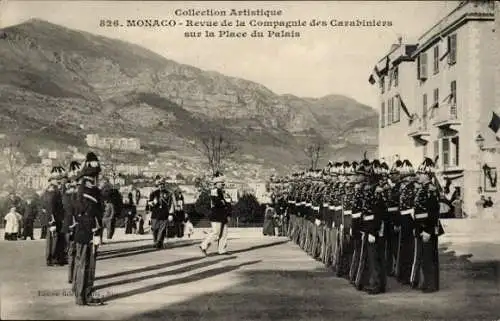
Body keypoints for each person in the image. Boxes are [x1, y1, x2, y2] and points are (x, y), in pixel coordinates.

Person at [72, 152, 104, 306]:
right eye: (94, 177)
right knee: (86, 265)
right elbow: (82, 213)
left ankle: (83, 295)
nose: (95, 179)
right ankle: (84, 296)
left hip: (89, 232)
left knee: (86, 265)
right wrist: (94, 231)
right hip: (87, 232)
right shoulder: (84, 191)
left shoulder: (92, 191)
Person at [200, 172, 232, 256]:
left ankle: (222, 250)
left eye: (222, 183)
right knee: (216, 232)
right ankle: (204, 245)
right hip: (216, 214)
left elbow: (228, 203)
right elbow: (217, 202)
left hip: (223, 214)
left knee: (224, 233)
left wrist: (227, 211)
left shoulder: (223, 192)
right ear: (216, 183)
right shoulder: (214, 191)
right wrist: (224, 203)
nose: (222, 184)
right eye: (220, 183)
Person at [42, 166, 67, 266]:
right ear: (51, 181)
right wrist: (51, 221)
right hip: (54, 219)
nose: (59, 181)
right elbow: (50, 208)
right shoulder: (52, 192)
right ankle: (52, 258)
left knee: (55, 239)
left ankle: (54, 258)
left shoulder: (54, 191)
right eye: (57, 180)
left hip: (57, 219)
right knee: (53, 240)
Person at [147, 177, 176, 249]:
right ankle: (155, 241)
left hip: (164, 214)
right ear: (158, 185)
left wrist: (171, 214)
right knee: (155, 229)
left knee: (162, 230)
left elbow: (171, 204)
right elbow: (149, 203)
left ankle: (159, 242)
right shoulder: (153, 193)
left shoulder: (169, 194)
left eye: (163, 184)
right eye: (160, 184)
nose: (161, 186)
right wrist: (153, 202)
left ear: (165, 185)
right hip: (155, 214)